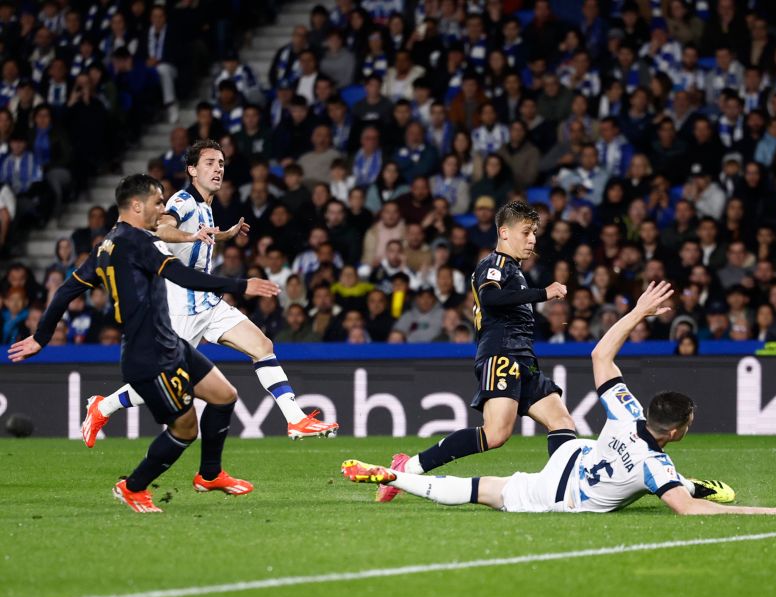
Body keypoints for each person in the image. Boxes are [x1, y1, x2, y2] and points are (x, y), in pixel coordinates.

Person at [341, 281, 776, 516]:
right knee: (478, 491)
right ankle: (395, 475)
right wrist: (764, 510)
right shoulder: (656, 465)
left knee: (559, 424)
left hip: (577, 456)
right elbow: (686, 509)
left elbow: (600, 354)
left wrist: (637, 312)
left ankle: (397, 473)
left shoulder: (627, 411)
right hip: (559, 493)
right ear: (675, 431)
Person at [8, 174, 280, 513]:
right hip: (149, 355)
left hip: (169, 344)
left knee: (224, 396)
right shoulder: (138, 243)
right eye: (157, 202)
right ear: (136, 206)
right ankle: (132, 486)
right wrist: (242, 285)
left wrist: (41, 337)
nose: (162, 209)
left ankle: (210, 474)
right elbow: (182, 275)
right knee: (184, 428)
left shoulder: (107, 245)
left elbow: (67, 290)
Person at [81, 140, 339, 446]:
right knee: (162, 381)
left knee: (262, 345)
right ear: (192, 170)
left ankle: (295, 419)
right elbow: (162, 228)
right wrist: (192, 234)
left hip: (207, 301)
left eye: (221, 163)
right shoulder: (184, 200)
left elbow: (194, 244)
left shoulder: (205, 206)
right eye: (209, 163)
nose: (217, 169)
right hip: (180, 305)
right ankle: (102, 406)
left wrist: (223, 235)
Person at [375, 201, 576, 503]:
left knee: (562, 423)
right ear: (504, 232)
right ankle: (408, 467)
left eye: (534, 232)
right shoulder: (493, 264)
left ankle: (563, 491)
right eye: (526, 232)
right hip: (502, 354)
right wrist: (543, 294)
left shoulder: (513, 270)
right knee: (495, 434)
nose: (533, 238)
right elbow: (491, 298)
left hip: (524, 356)